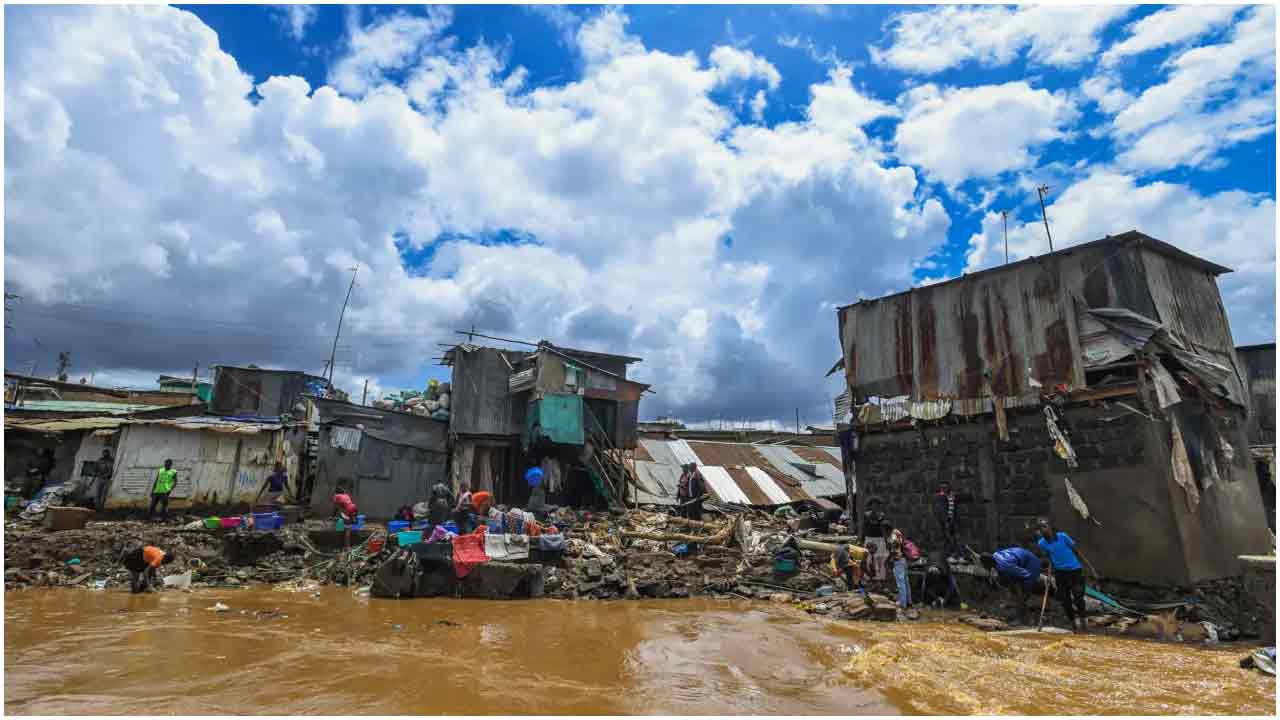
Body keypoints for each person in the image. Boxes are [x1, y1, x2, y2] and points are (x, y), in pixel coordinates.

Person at [1037, 517, 1087, 633]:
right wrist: (1049, 575)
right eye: (1040, 528)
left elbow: (1076, 551)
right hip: (1060, 573)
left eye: (1045, 526)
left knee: (1078, 597)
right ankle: (1073, 623)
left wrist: (1089, 568)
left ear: (1050, 527)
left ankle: (1083, 622)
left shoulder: (1063, 537)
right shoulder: (1042, 543)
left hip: (1075, 570)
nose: (1043, 530)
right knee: (1065, 600)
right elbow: (1048, 557)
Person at [980, 547, 1044, 624]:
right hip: (1021, 558)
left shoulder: (1006, 566)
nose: (984, 567)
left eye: (985, 566)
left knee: (1022, 594)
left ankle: (1024, 619)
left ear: (989, 563)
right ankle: (1021, 614)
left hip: (1032, 565)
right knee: (1014, 589)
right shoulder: (995, 555)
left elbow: (1026, 575)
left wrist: (1024, 590)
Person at [933, 481, 971, 560]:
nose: (944, 489)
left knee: (955, 538)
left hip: (953, 520)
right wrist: (945, 521)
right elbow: (941, 510)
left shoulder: (952, 495)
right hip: (946, 521)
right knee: (949, 539)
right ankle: (952, 555)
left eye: (945, 487)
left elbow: (963, 498)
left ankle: (958, 555)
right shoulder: (940, 497)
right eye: (942, 487)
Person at [860, 498, 889, 581]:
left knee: (880, 558)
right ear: (871, 506)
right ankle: (868, 577)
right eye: (873, 505)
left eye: (877, 505)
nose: (875, 507)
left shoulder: (882, 515)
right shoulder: (866, 515)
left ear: (879, 506)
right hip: (869, 539)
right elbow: (864, 528)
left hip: (879, 539)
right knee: (868, 559)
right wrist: (862, 539)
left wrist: (886, 541)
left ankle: (880, 577)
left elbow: (884, 529)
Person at [887, 526, 911, 612]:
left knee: (901, 584)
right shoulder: (898, 534)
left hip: (898, 562)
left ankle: (903, 604)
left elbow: (894, 547)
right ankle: (909, 602)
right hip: (903, 560)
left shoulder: (893, 536)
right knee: (905, 582)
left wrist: (889, 558)